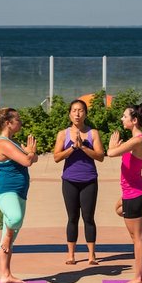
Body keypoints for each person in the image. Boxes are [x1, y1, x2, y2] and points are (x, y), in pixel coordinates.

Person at [53, 99, 105, 265]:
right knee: (72, 218)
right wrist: (72, 148)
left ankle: (92, 255)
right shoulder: (63, 134)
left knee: (88, 217)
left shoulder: (93, 133)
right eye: (74, 110)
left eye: (80, 110)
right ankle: (71, 255)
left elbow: (101, 156)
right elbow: (56, 157)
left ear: (85, 114)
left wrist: (83, 147)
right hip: (70, 181)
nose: (77, 114)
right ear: (70, 114)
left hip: (89, 180)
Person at [0, 108, 38, 283]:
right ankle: (8, 236)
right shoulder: (3, 143)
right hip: (6, 191)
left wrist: (30, 152)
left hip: (20, 192)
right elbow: (27, 161)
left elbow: (34, 158)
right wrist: (30, 153)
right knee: (14, 220)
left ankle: (6, 274)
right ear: (8, 123)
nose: (21, 122)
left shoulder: (13, 142)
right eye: (18, 119)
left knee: (10, 234)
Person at [107, 102, 142, 283]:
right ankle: (139, 277)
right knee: (118, 209)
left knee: (137, 238)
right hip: (132, 192)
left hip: (134, 194)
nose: (121, 119)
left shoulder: (138, 140)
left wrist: (112, 146)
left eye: (125, 116)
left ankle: (139, 279)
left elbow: (111, 153)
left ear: (134, 121)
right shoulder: (134, 140)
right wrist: (117, 147)